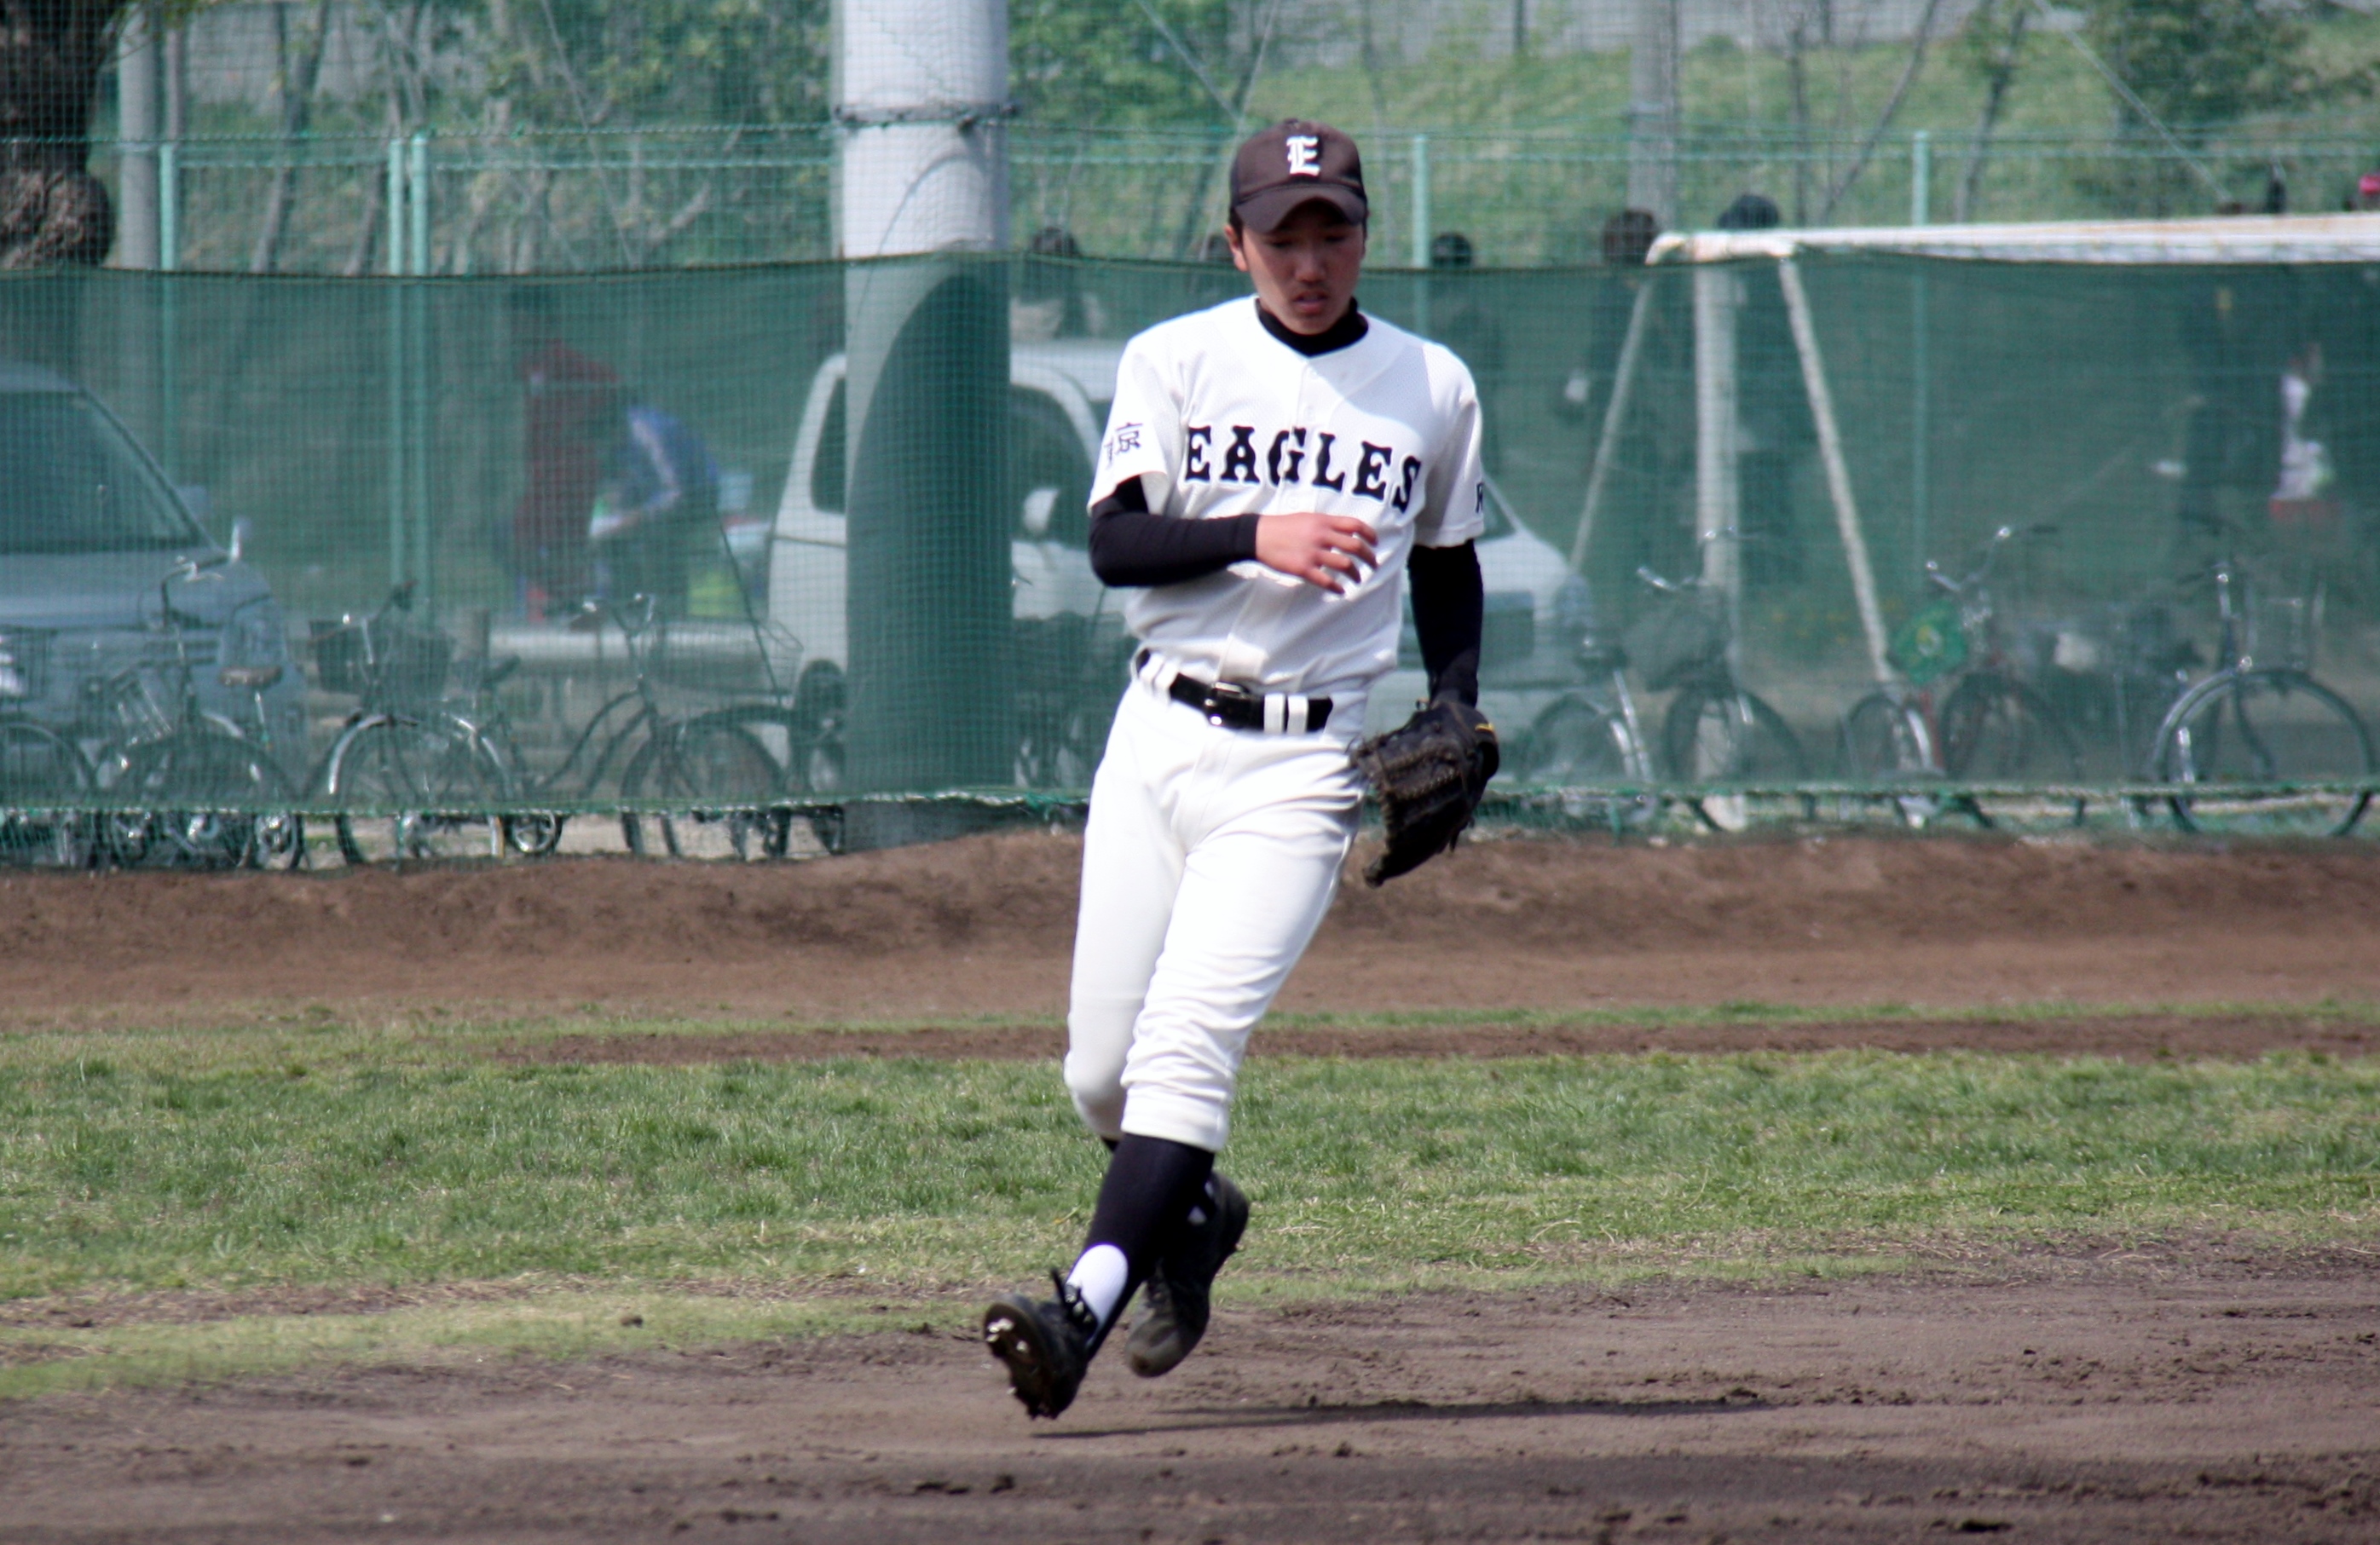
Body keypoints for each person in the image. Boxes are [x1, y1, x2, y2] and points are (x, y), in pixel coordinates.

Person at [980, 119, 1488, 1420]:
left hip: (1301, 768)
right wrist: (1261, 530)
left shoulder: (1430, 386)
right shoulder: (1175, 360)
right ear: (1236, 243)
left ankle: (1079, 1309)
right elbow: (1116, 545)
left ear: (1365, 235)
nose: (1310, 261)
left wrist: (1454, 701)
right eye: (1282, 236)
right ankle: (1192, 1214)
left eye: (1333, 232)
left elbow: (1446, 562)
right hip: (1157, 736)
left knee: (1184, 1050)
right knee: (1100, 1073)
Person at [508, 289, 620, 621]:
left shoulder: (564, 359)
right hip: (541, 472)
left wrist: (581, 427)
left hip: (570, 469)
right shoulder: (527, 366)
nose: (515, 329)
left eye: (522, 321)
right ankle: (576, 600)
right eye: (512, 322)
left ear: (542, 321)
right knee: (520, 544)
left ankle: (581, 607)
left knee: (561, 546)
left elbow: (614, 387)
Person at [589, 398, 718, 618]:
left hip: (696, 498)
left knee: (656, 541)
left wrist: (637, 516)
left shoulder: (646, 432)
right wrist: (618, 505)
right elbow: (628, 483)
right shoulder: (618, 442)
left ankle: (668, 614)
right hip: (654, 502)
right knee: (608, 542)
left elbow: (677, 493)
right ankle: (624, 611)